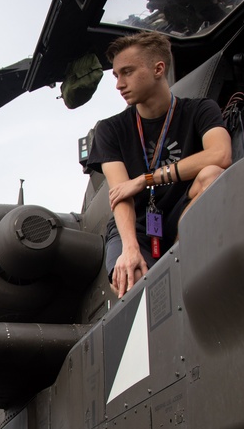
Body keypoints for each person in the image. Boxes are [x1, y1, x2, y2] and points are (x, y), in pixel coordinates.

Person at [88, 30, 232, 298]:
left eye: (127, 72)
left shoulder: (201, 110)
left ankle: (183, 260)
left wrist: (147, 179)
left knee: (213, 174)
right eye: (117, 75)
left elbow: (220, 155)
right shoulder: (111, 130)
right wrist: (129, 248)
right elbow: (120, 195)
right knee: (132, 278)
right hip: (138, 226)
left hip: (184, 211)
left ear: (158, 69)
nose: (119, 84)